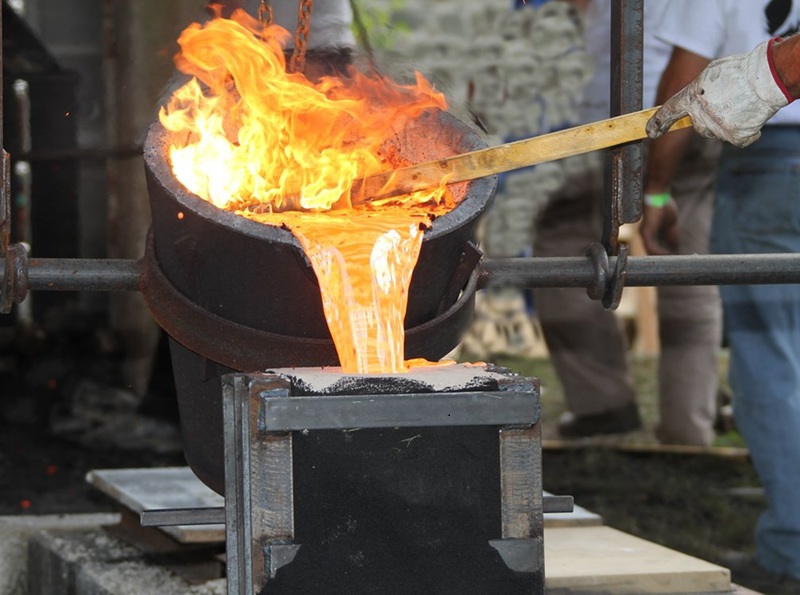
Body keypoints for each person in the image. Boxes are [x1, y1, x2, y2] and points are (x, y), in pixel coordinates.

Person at [643, 3, 800, 589]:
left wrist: (655, 191)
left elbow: (685, 82)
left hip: (772, 167)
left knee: (770, 361)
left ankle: (792, 549)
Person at [532, 0, 723, 446]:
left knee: (562, 255)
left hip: (609, 122)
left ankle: (603, 405)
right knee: (688, 266)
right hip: (692, 112)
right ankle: (688, 421)